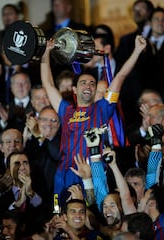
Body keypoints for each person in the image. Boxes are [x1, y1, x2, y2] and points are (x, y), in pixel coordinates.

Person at [40, 34, 146, 200]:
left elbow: (120, 77)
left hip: (95, 173)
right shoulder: (65, 110)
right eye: (83, 83)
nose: (88, 85)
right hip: (65, 174)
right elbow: (48, 83)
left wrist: (137, 51)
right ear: (74, 90)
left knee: (94, 214)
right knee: (58, 212)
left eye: (92, 83)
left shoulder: (103, 108)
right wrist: (46, 53)